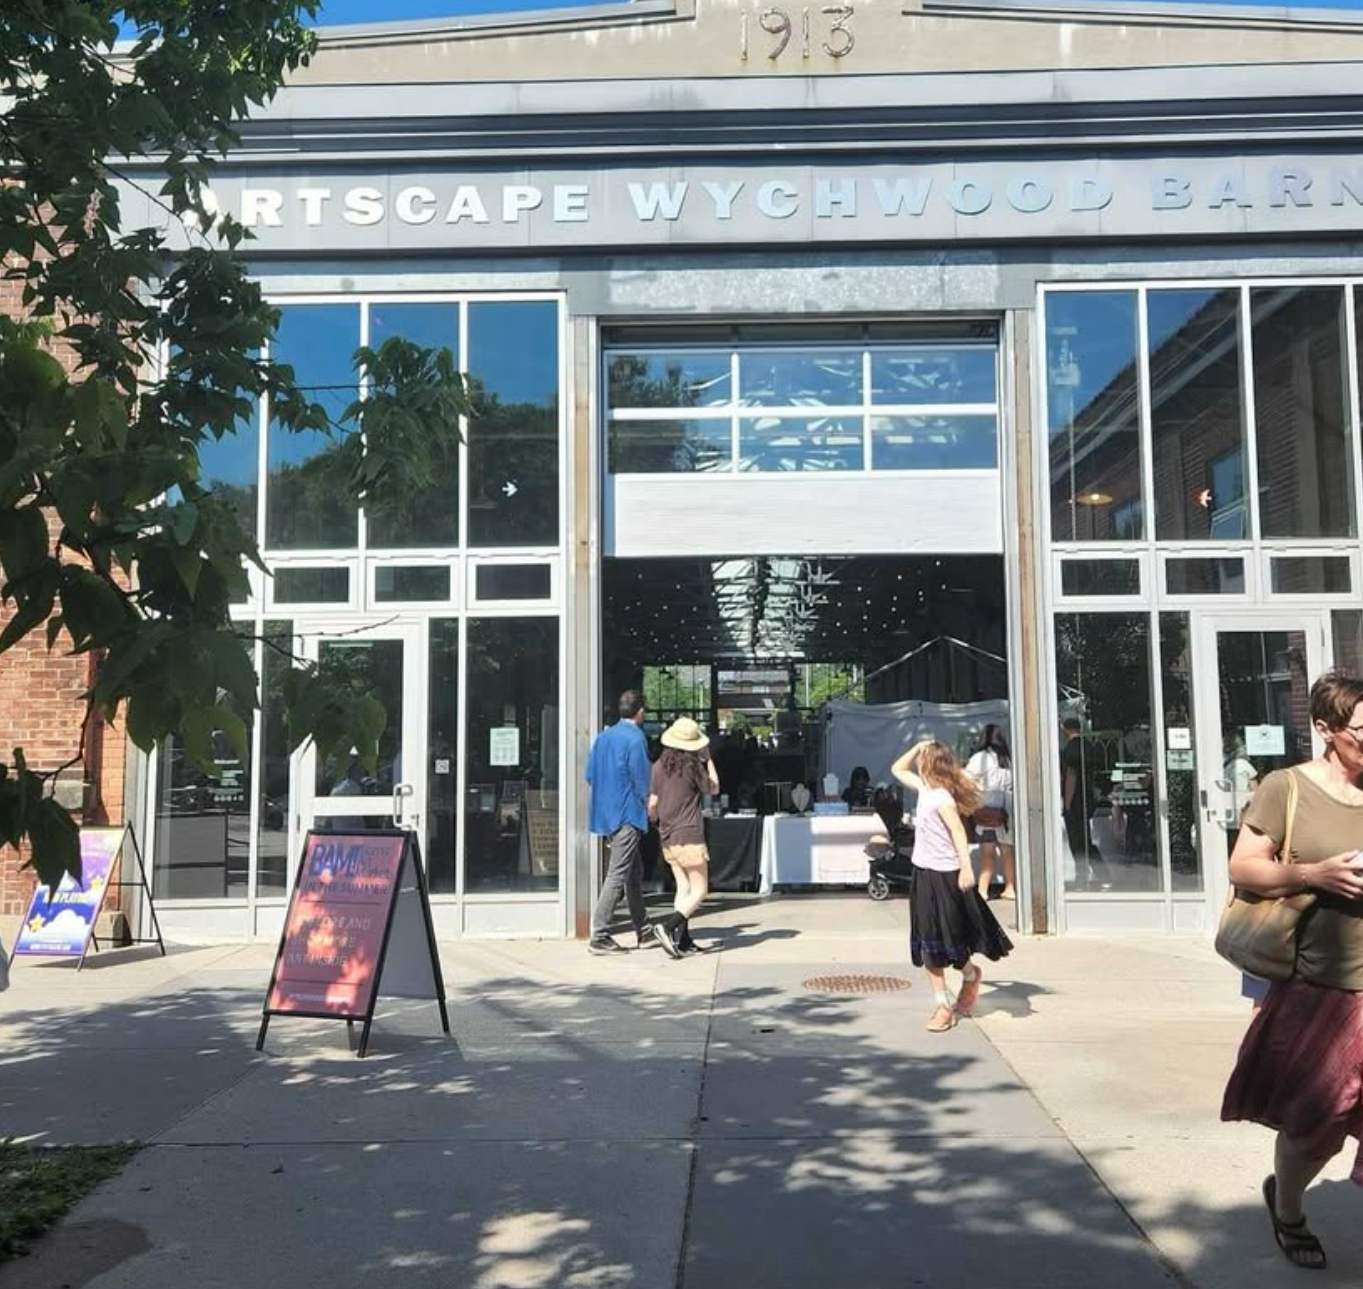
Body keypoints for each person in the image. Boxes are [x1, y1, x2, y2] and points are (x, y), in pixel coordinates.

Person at [1220, 671, 1363, 1271]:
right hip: (1325, 987)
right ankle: (1290, 1203)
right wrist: (1314, 874)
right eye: (1362, 731)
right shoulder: (1288, 788)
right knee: (1315, 1127)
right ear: (1328, 732)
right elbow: (1243, 868)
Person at [892, 741, 1014, 1032]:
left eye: (922, 758)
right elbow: (897, 768)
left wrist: (965, 868)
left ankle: (970, 976)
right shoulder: (924, 789)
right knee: (928, 941)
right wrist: (917, 746)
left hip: (947, 874)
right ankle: (943, 1006)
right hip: (923, 872)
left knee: (954, 942)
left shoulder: (942, 798)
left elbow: (959, 831)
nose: (918, 763)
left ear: (930, 764)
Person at [585, 689, 653, 956]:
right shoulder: (636, 738)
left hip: (606, 814)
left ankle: (644, 929)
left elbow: (589, 775)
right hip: (628, 814)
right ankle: (600, 935)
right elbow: (641, 780)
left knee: (633, 873)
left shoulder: (603, 738)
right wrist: (649, 806)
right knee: (617, 874)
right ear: (641, 712)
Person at [648, 717, 720, 959]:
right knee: (700, 890)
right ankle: (667, 927)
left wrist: (657, 822)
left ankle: (684, 939)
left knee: (684, 887)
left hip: (667, 835)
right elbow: (714, 787)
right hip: (689, 833)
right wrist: (708, 758)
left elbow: (653, 804)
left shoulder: (658, 766)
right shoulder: (692, 766)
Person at [966, 725, 1016, 899]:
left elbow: (967, 780)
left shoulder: (979, 758)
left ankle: (983, 890)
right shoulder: (1009, 759)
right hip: (1007, 812)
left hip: (986, 810)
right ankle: (1010, 888)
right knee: (1007, 851)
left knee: (987, 852)